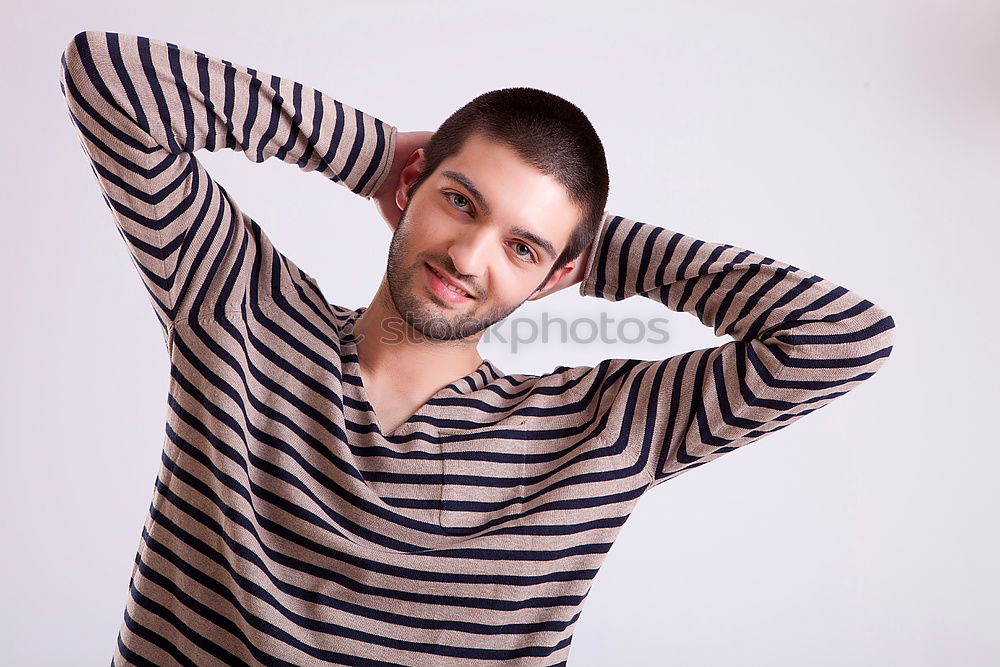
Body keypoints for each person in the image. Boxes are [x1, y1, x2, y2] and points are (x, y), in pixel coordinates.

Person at [59, 29, 896, 667]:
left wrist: (590, 249)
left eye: (521, 248)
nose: (468, 257)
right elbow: (111, 76)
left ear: (560, 272)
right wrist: (380, 157)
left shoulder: (597, 434)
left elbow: (843, 335)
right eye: (460, 201)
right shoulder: (242, 315)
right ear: (414, 186)